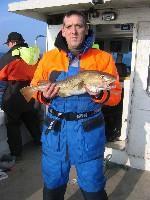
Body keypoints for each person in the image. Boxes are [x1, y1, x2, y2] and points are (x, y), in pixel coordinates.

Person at [31, 10, 122, 200]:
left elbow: (115, 95)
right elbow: (35, 88)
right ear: (63, 31)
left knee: (93, 185)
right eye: (69, 27)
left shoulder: (103, 58)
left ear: (86, 29)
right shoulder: (48, 58)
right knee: (53, 184)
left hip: (88, 132)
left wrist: (101, 94)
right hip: (55, 131)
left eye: (79, 26)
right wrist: (44, 97)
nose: (74, 31)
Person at [0, 32, 42, 161]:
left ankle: (16, 154)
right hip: (30, 91)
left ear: (12, 43)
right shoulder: (34, 54)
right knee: (31, 118)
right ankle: (40, 141)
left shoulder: (9, 56)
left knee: (12, 124)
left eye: (9, 44)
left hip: (14, 93)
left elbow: (1, 75)